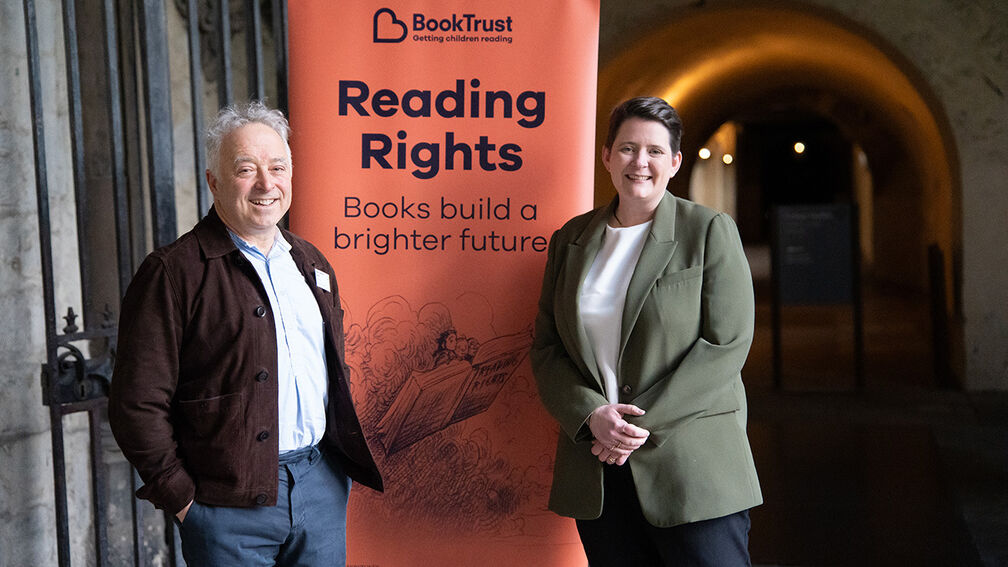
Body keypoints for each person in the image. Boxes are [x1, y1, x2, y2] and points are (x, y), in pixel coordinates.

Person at [108, 101, 383, 566]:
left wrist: (335, 476)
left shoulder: (312, 263)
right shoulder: (173, 273)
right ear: (214, 181)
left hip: (319, 487)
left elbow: (330, 367)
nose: (265, 183)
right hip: (224, 508)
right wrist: (184, 502)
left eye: (277, 167)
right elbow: (136, 404)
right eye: (245, 169)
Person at [530, 96, 762, 566]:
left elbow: (725, 345)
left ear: (675, 162)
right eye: (628, 148)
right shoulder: (570, 241)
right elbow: (547, 347)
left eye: (655, 151)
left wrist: (632, 427)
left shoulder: (709, 230)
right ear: (607, 157)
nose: (640, 162)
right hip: (598, 467)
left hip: (691, 468)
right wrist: (590, 414)